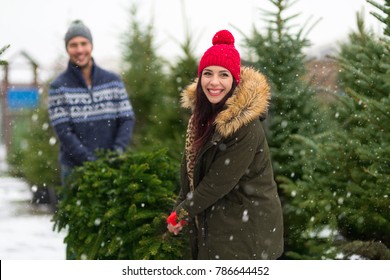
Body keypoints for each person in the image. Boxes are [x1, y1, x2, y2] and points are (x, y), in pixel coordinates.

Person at [166, 30, 283, 260]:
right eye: (208, 74)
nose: (214, 82)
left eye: (223, 75)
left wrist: (183, 213)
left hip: (246, 229)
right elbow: (190, 170)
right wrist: (179, 205)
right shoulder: (200, 119)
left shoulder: (244, 125)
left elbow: (217, 182)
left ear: (235, 80)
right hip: (219, 221)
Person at [48, 20, 135, 188]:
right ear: (67, 49)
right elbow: (63, 131)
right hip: (75, 170)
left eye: (83, 43)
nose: (79, 50)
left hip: (113, 166)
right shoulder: (58, 86)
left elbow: (126, 119)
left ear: (91, 45)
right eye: (73, 45)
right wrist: (89, 161)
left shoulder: (113, 81)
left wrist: (115, 154)